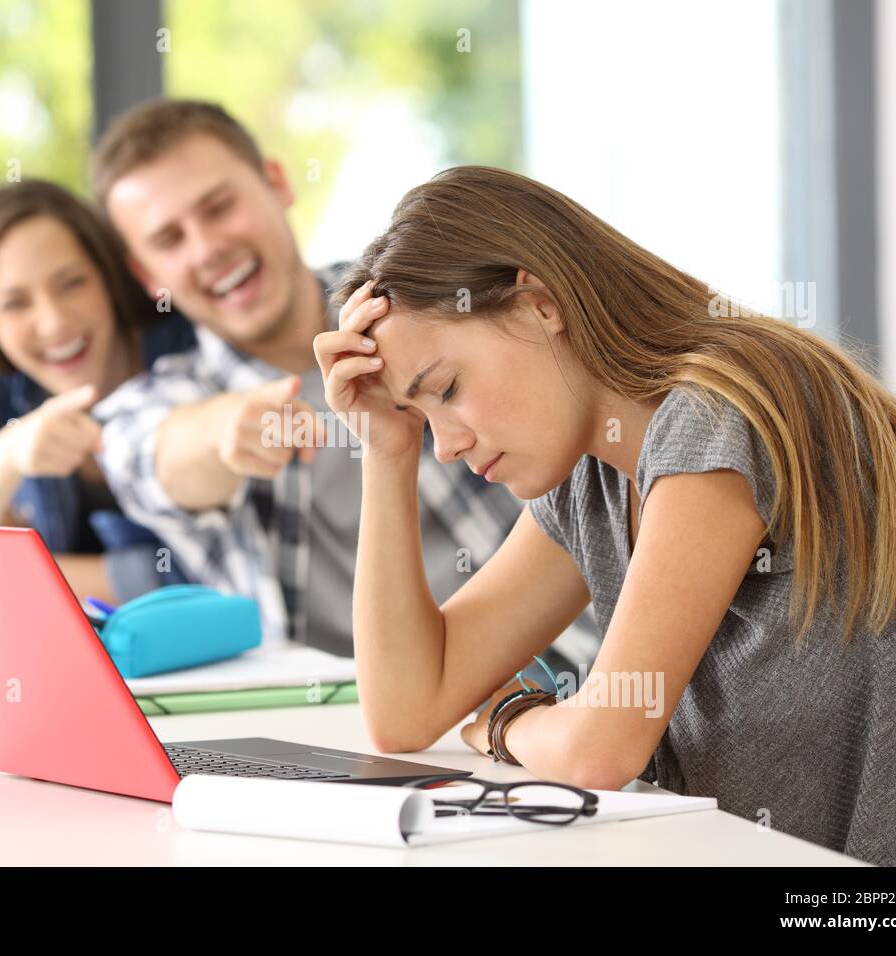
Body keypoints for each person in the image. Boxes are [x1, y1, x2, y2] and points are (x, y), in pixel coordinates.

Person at [315, 164, 896, 866]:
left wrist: (509, 719)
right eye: (420, 414)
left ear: (539, 303)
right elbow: (405, 710)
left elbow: (599, 749)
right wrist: (386, 450)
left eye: (446, 387)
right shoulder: (593, 474)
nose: (446, 446)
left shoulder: (715, 415)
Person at [89, 100, 552, 663]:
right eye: (169, 240)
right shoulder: (155, 403)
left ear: (276, 183)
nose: (207, 248)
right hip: (363, 719)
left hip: (576, 659)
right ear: (145, 274)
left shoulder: (413, 300)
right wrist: (224, 431)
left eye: (219, 207)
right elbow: (150, 455)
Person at [0, 179, 195, 602]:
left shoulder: (180, 332)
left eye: (72, 283)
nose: (54, 323)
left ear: (110, 278)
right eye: (14, 303)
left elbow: (199, 574)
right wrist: (13, 449)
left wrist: (7, 569)